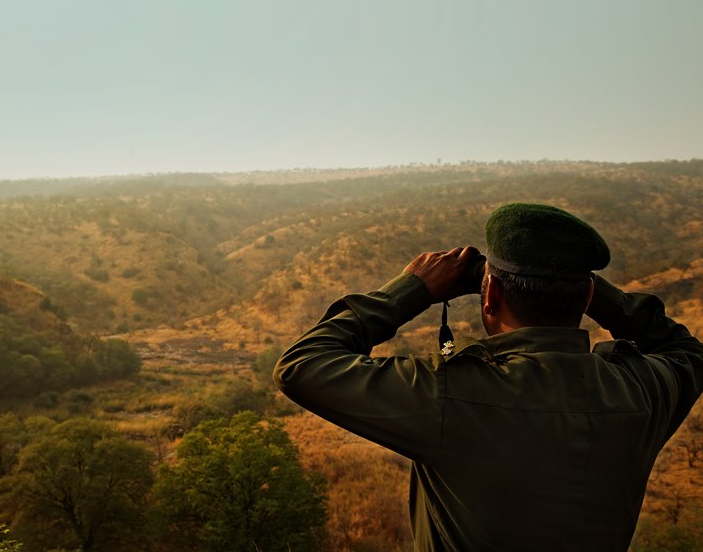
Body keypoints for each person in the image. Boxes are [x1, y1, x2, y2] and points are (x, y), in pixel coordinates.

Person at [273, 203, 703, 551]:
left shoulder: (453, 396)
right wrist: (582, 289)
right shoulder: (644, 391)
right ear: (589, 295)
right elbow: (687, 352)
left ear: (490, 296)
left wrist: (412, 288)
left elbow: (302, 365)